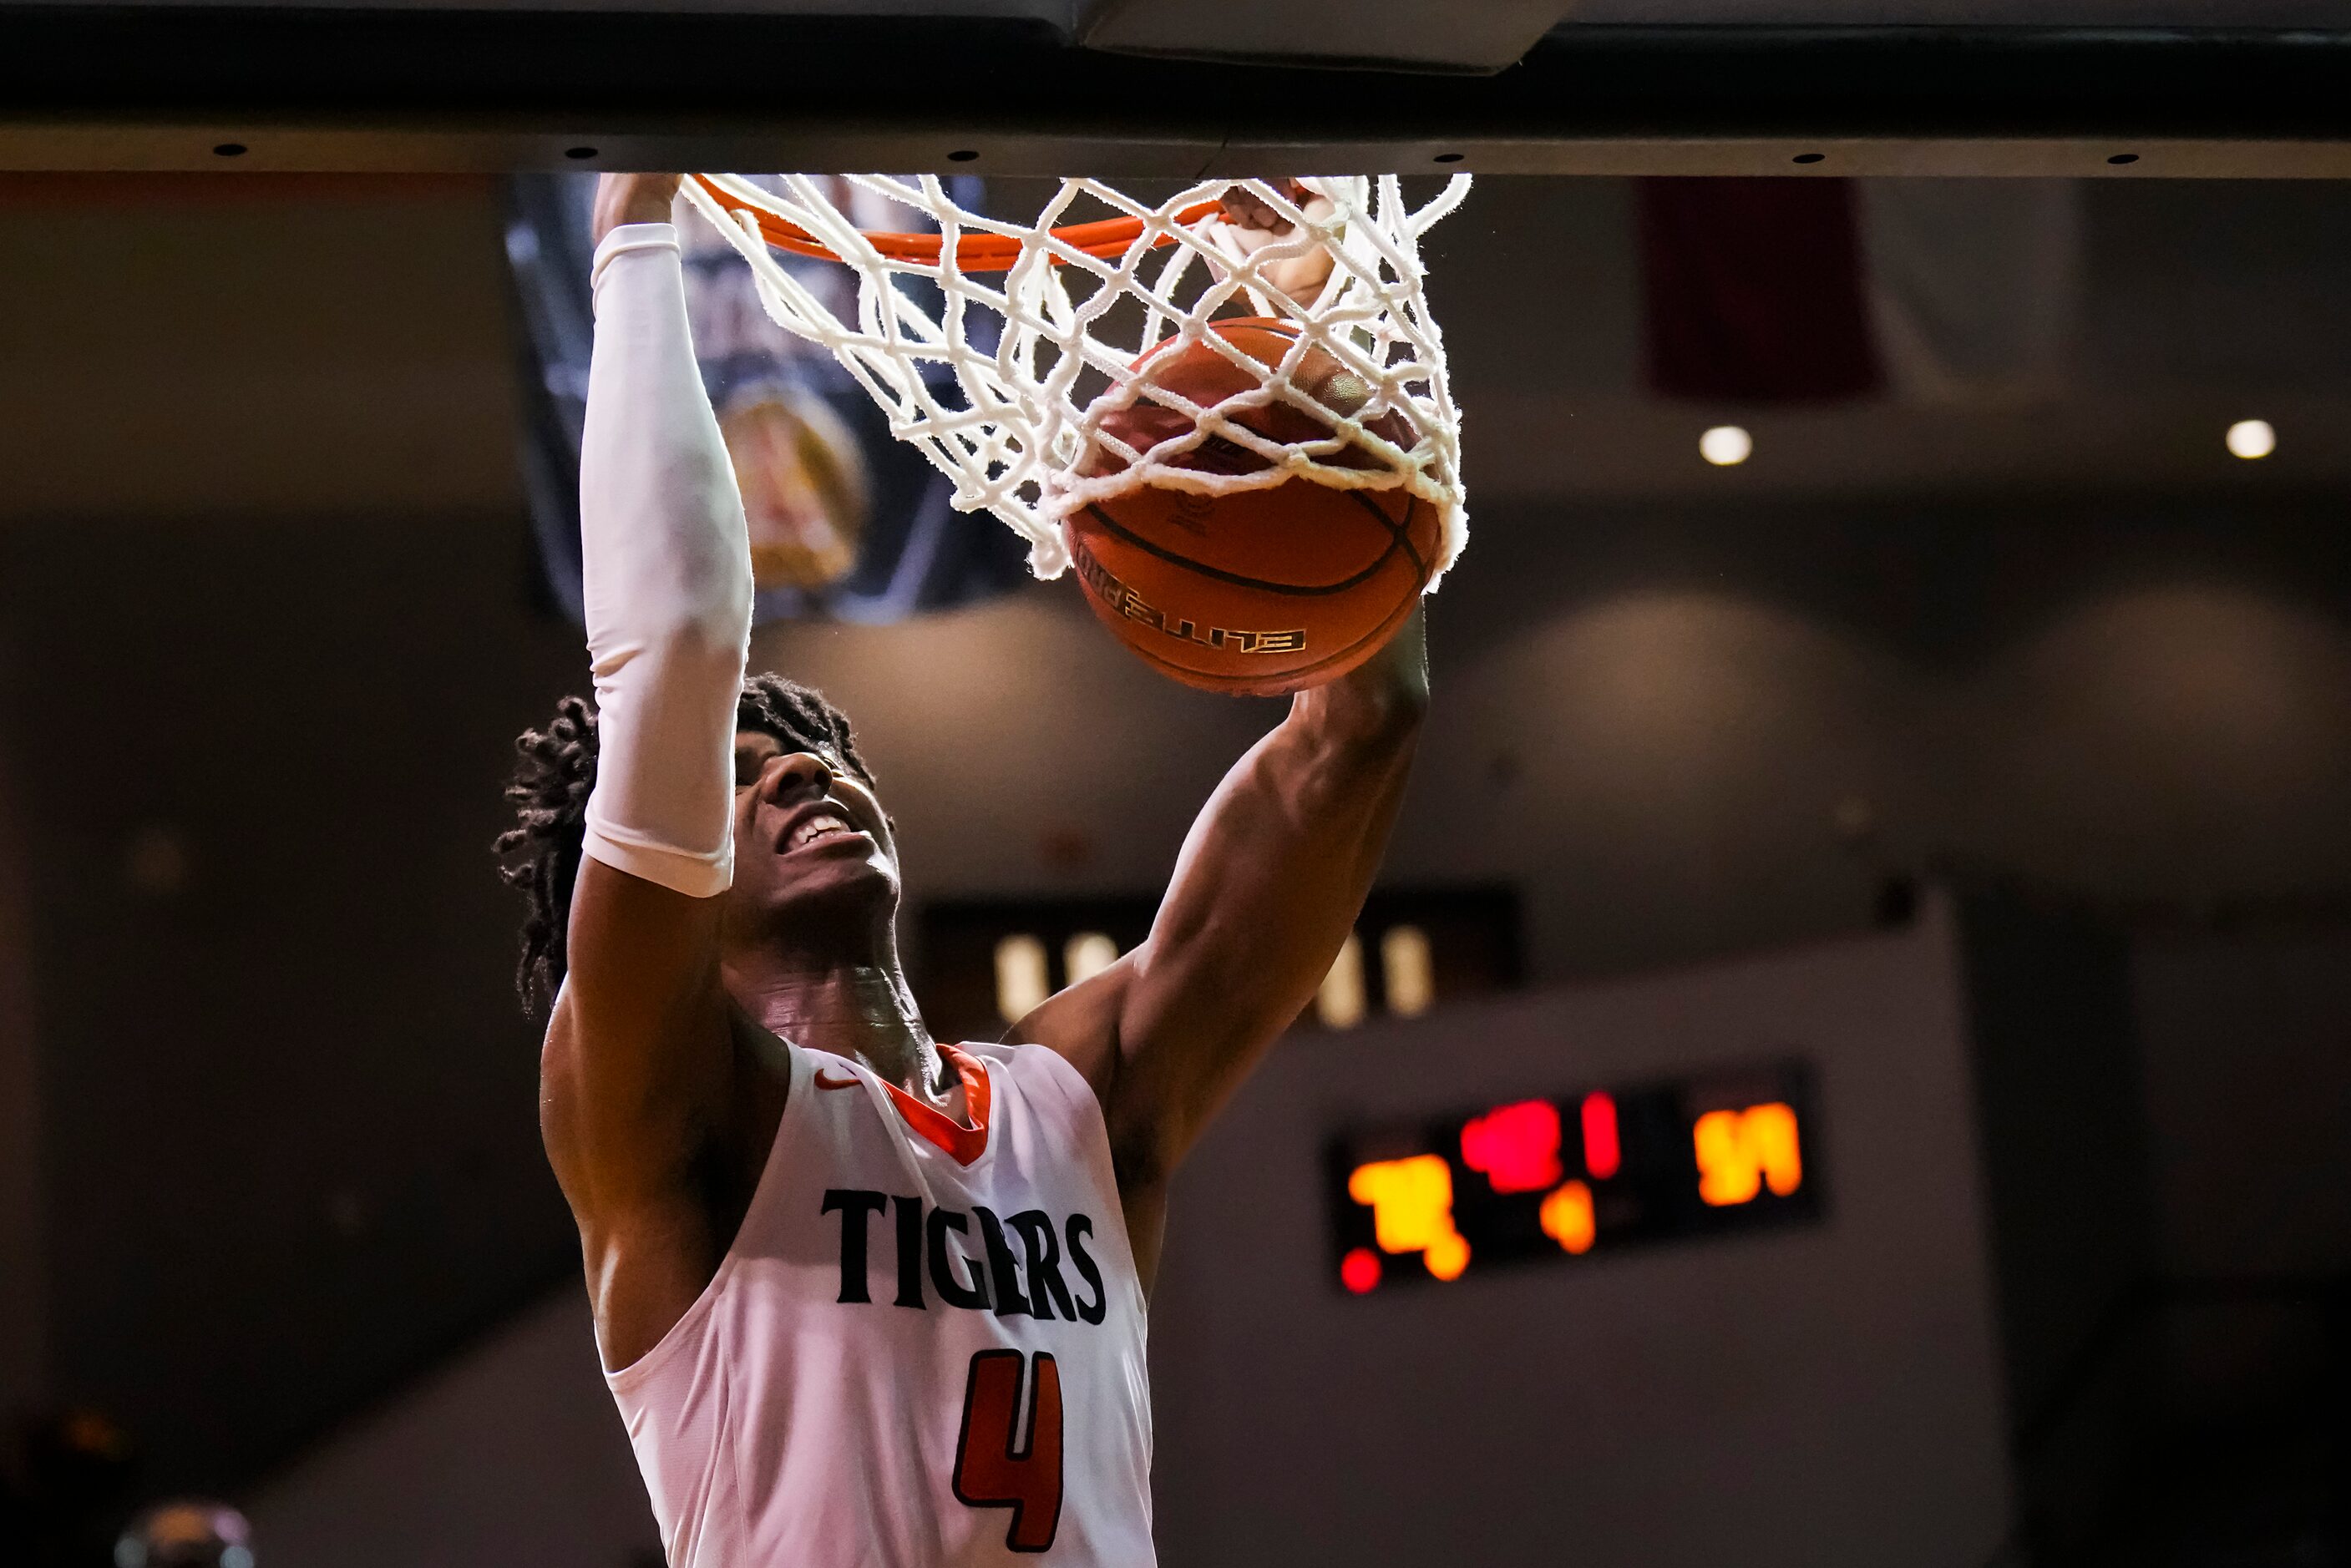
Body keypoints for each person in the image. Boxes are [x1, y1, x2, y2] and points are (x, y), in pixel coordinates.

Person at [496, 172, 1427, 1567]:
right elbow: (679, 644)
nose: (793, 773)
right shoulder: (665, 1107)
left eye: (808, 752)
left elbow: (1366, 720)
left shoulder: (1080, 1104)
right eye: (736, 776)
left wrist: (1296, 330)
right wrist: (632, 222)